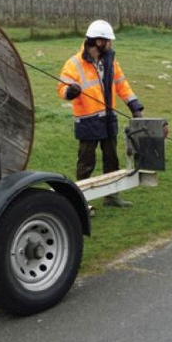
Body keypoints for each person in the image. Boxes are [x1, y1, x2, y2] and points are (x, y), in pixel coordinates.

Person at [57, 20, 144, 208]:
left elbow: (122, 84)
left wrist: (135, 107)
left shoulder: (110, 61)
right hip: (87, 122)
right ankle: (81, 203)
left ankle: (112, 197)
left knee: (111, 160)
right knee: (86, 164)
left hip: (109, 119)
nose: (111, 44)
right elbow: (61, 88)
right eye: (108, 41)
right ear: (98, 42)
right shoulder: (73, 64)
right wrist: (69, 92)